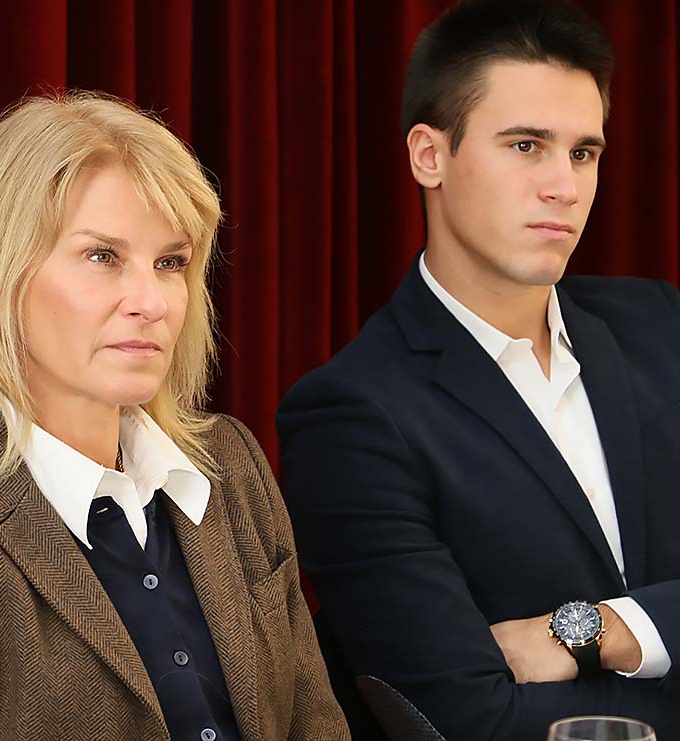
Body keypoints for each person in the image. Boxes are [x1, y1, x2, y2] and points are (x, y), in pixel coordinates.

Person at [0, 91, 349, 740]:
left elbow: (316, 725)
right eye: (103, 256)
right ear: (3, 276)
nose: (151, 301)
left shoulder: (231, 465)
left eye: (170, 262)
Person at [277, 1, 680, 739]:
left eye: (582, 153)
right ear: (429, 156)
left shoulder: (661, 324)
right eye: (526, 145)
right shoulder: (348, 415)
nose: (563, 186)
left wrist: (605, 629)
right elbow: (467, 720)